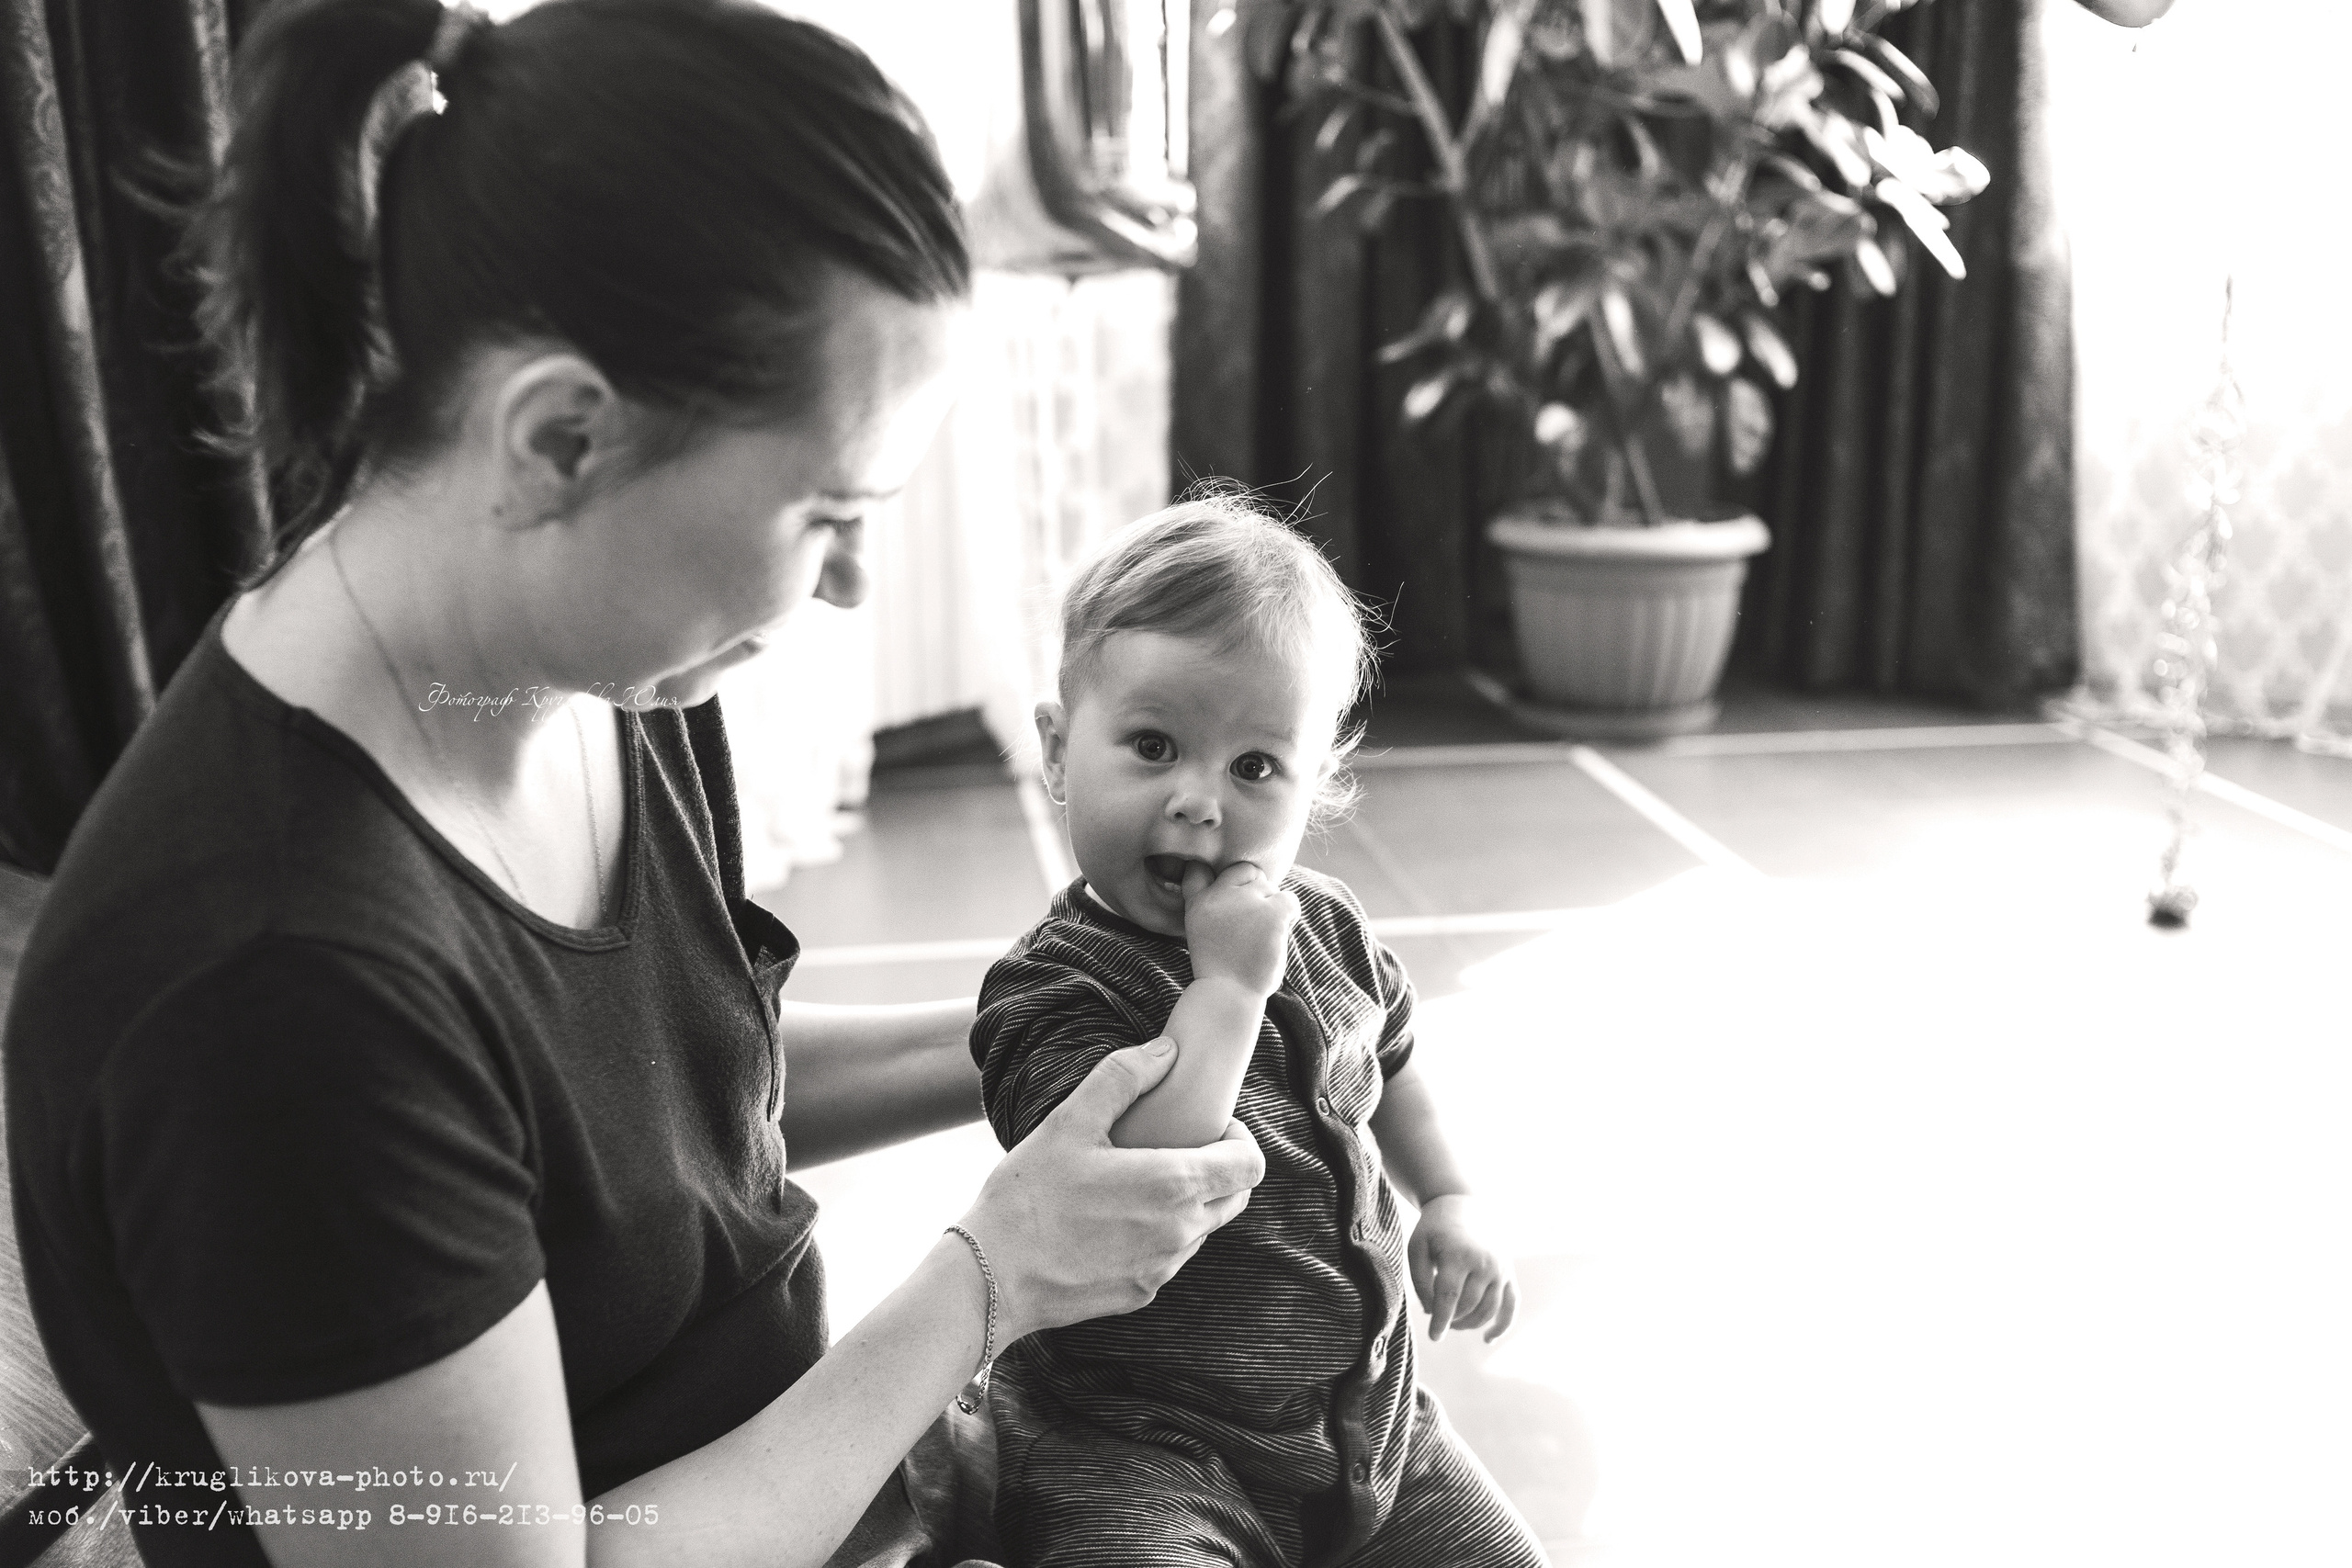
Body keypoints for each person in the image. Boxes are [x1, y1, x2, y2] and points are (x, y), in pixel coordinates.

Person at [0, 1, 1264, 1564]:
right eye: (828, 513)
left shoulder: (599, 660)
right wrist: (991, 1280)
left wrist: (1072, 1022)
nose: (853, 583)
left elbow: (655, 1112)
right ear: (562, 438)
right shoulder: (270, 989)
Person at [968, 499, 1548, 1567]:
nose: (1199, 803)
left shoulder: (1323, 924)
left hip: (1366, 1428)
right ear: (1056, 750)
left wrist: (1450, 1195)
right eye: (1153, 747)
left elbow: (1390, 1059)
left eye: (1254, 767)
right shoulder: (1052, 985)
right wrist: (1229, 990)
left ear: (1314, 782)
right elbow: (1133, 1180)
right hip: (1136, 1447)